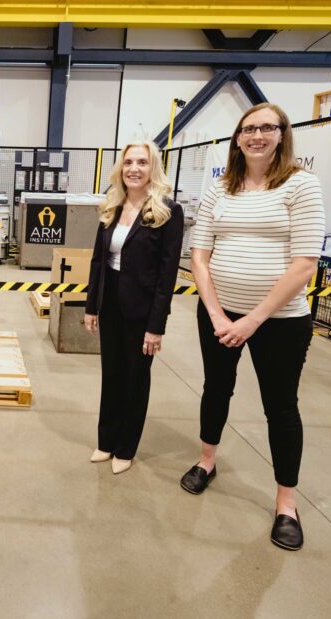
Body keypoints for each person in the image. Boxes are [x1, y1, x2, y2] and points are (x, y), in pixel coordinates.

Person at [181, 103, 325, 551]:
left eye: (266, 128)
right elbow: (199, 257)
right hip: (218, 314)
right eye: (248, 129)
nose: (256, 135)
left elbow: (304, 264)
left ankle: (286, 503)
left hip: (279, 322)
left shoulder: (301, 186)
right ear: (237, 138)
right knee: (215, 388)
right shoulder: (220, 190)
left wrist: (254, 320)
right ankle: (207, 461)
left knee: (280, 407)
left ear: (282, 134)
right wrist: (220, 315)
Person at [83, 142, 184, 475]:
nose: (134, 169)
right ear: (120, 168)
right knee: (111, 375)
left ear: (152, 167)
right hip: (110, 306)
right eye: (128, 162)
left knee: (135, 379)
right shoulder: (113, 205)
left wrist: (157, 326)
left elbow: (167, 275)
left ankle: (126, 447)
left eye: (142, 162)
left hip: (142, 312)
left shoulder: (167, 211)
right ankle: (106, 441)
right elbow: (99, 261)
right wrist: (91, 306)